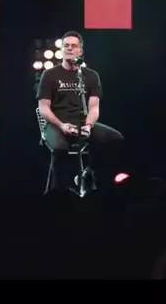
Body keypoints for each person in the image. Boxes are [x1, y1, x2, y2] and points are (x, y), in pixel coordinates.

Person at [36, 30, 124, 193]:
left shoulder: (90, 76)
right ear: (62, 49)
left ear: (80, 51)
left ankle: (90, 174)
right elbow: (43, 108)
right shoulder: (49, 75)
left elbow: (94, 107)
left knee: (115, 138)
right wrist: (62, 125)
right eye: (66, 46)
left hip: (82, 123)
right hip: (56, 124)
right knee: (60, 149)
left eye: (73, 46)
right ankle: (58, 192)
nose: (69, 48)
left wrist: (88, 125)